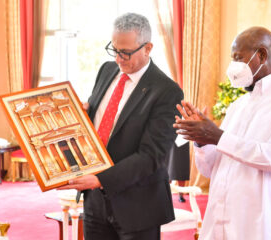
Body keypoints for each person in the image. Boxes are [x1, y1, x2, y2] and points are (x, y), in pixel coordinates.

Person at [173, 26, 271, 240]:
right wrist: (202, 141)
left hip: (269, 228)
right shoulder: (237, 106)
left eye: (238, 58)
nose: (232, 67)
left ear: (261, 55)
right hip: (222, 226)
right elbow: (210, 169)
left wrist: (217, 136)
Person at [59, 13, 183, 240]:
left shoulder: (167, 91)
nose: (118, 58)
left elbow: (151, 156)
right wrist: (82, 116)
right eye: (114, 49)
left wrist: (101, 179)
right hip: (95, 201)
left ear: (148, 48)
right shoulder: (106, 71)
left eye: (126, 52)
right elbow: (100, 125)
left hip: (137, 206)